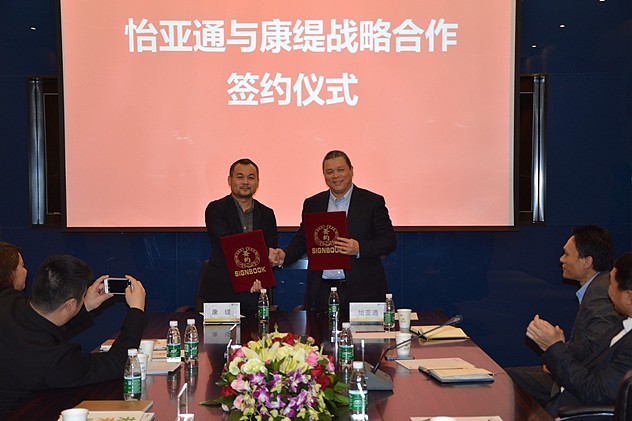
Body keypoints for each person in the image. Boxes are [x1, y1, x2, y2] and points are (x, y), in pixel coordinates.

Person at [0, 255, 147, 417]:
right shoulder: (55, 360)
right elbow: (117, 363)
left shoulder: (7, 299)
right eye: (82, 296)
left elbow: (44, 326)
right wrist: (136, 311)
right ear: (69, 304)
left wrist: (85, 305)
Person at [270, 150, 396, 316]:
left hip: (362, 290)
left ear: (351, 170)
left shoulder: (372, 202)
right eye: (329, 171)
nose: (335, 176)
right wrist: (284, 255)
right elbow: (303, 239)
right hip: (322, 291)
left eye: (340, 170)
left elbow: (388, 241)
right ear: (324, 175)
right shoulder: (313, 204)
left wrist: (359, 248)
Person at [507, 225, 623, 405]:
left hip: (579, 382)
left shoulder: (599, 291)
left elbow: (598, 352)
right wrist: (559, 350)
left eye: (567, 254)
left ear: (586, 262)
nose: (561, 259)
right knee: (503, 375)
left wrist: (557, 351)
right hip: (572, 371)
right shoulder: (596, 287)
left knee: (504, 379)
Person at [523, 252, 632, 416]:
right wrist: (558, 346)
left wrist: (554, 349)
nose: (607, 288)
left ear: (629, 297)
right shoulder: (624, 322)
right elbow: (592, 349)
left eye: (610, 282)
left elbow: (596, 393)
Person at [201, 158, 278, 314]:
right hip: (222, 290)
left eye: (251, 177)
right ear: (230, 180)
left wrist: (263, 276)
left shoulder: (267, 214)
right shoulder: (216, 209)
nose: (245, 182)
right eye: (240, 177)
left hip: (255, 292)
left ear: (258, 182)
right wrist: (263, 253)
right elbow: (227, 244)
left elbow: (270, 250)